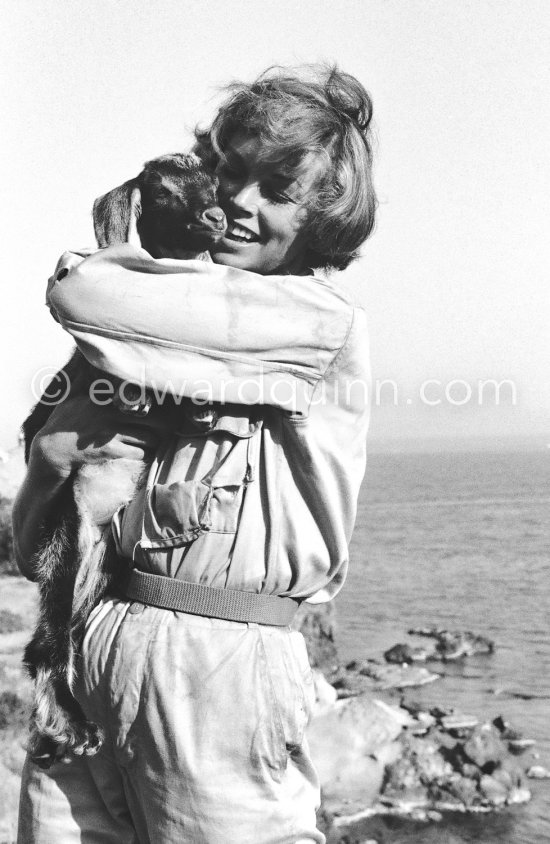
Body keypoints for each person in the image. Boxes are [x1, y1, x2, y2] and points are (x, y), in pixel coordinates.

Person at [14, 64, 376, 844]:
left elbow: (82, 295)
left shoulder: (314, 322)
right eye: (231, 171)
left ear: (322, 215)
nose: (240, 202)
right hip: (88, 646)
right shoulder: (175, 332)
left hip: (217, 670)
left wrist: (106, 254)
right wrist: (48, 467)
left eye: (277, 188)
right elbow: (39, 520)